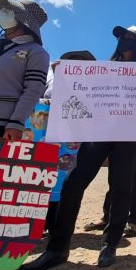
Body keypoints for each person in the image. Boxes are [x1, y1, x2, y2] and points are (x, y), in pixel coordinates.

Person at [19, 25, 136, 270]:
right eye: (121, 37)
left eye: (130, 38)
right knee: (73, 183)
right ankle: (57, 248)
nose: (123, 41)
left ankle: (110, 244)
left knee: (122, 187)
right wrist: (66, 76)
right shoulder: (104, 69)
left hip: (130, 135)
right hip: (99, 132)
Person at [0, 0, 49, 140]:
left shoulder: (36, 52)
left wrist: (16, 123)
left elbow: (33, 90)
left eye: (11, 10)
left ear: (23, 21)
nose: (3, 12)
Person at [43, 50, 97, 233]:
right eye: (72, 63)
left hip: (73, 143)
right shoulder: (51, 81)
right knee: (44, 178)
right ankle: (40, 223)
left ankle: (56, 224)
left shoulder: (93, 88)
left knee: (65, 182)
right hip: (47, 139)